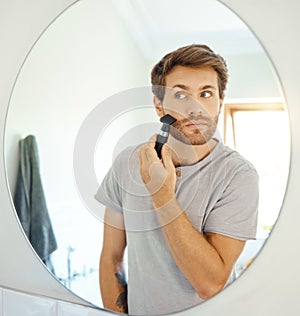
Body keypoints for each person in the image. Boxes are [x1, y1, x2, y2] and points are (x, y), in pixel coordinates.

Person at [95, 44, 258, 315]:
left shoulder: (239, 175)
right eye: (180, 94)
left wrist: (162, 194)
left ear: (220, 101)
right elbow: (110, 258)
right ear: (159, 105)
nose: (196, 108)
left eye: (206, 93)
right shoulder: (126, 163)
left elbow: (210, 285)